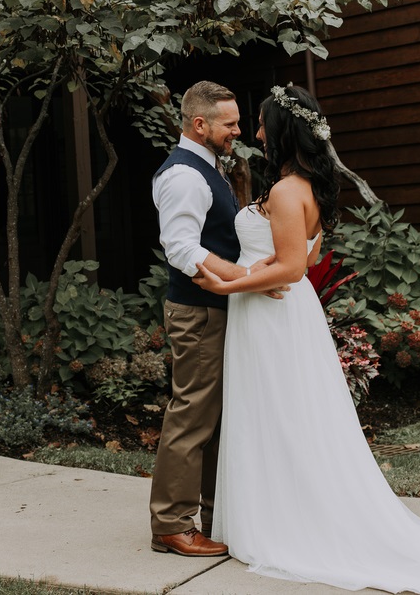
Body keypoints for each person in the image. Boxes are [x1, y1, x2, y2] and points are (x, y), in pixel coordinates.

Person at [194, 84, 420, 593]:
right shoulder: (307, 185)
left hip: (272, 318)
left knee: (284, 417)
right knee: (278, 416)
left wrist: (228, 281)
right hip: (273, 315)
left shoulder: (289, 191)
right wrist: (260, 265)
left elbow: (293, 269)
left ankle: (287, 525)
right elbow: (307, 256)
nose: (256, 131)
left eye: (262, 122)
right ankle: (277, 513)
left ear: (282, 128)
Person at [149, 80, 281, 558]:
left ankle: (207, 514)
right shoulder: (184, 175)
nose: (239, 131)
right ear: (199, 124)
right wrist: (246, 275)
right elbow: (182, 247)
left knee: (215, 417)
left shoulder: (209, 168)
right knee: (193, 415)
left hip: (215, 309)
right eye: (230, 123)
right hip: (200, 312)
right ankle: (171, 524)